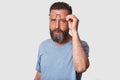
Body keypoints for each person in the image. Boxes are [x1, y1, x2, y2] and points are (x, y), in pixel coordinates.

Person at [34, 1, 89, 80]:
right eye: (53, 20)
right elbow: (39, 75)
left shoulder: (80, 45)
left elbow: (81, 68)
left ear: (70, 21)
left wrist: (74, 30)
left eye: (62, 21)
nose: (57, 26)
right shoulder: (43, 46)